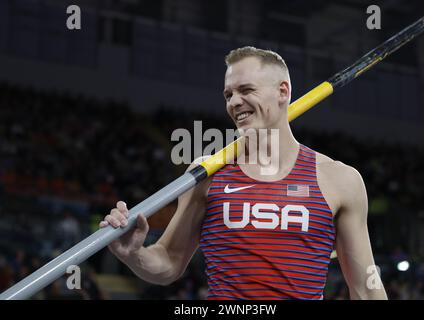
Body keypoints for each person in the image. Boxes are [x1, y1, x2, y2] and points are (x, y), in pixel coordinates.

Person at [100, 46, 387, 300]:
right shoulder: (207, 174)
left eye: (246, 90)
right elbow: (168, 264)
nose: (234, 102)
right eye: (228, 94)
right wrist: (134, 254)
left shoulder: (339, 180)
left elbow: (366, 287)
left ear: (283, 92)